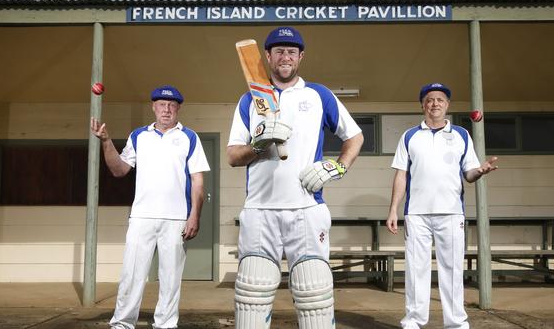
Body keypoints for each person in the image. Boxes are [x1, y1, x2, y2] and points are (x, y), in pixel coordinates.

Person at [227, 26, 364, 329]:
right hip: (260, 209)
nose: (285, 56)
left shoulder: (319, 95)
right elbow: (233, 156)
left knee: (313, 291)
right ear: (267, 56)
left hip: (306, 208)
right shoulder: (250, 100)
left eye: (291, 51)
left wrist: (338, 167)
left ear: (300, 56)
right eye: (279, 51)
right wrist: (257, 145)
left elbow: (354, 137)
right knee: (253, 291)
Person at [90, 85, 210, 329]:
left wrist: (194, 216)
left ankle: (165, 324)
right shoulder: (138, 136)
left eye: (171, 105)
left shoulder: (190, 137)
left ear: (178, 108)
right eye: (161, 105)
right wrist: (106, 141)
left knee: (170, 278)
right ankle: (122, 323)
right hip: (142, 217)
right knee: (131, 274)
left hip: (176, 219)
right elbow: (119, 170)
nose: (166, 109)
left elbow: (198, 180)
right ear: (153, 107)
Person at [385, 83, 498, 329]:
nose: (435, 103)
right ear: (423, 105)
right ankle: (414, 321)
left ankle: (456, 323)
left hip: (451, 213)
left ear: (447, 105)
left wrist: (480, 171)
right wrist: (393, 209)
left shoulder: (461, 135)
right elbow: (401, 175)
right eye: (429, 99)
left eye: (440, 99)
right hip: (416, 214)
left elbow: (469, 174)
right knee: (416, 271)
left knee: (453, 270)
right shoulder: (409, 136)